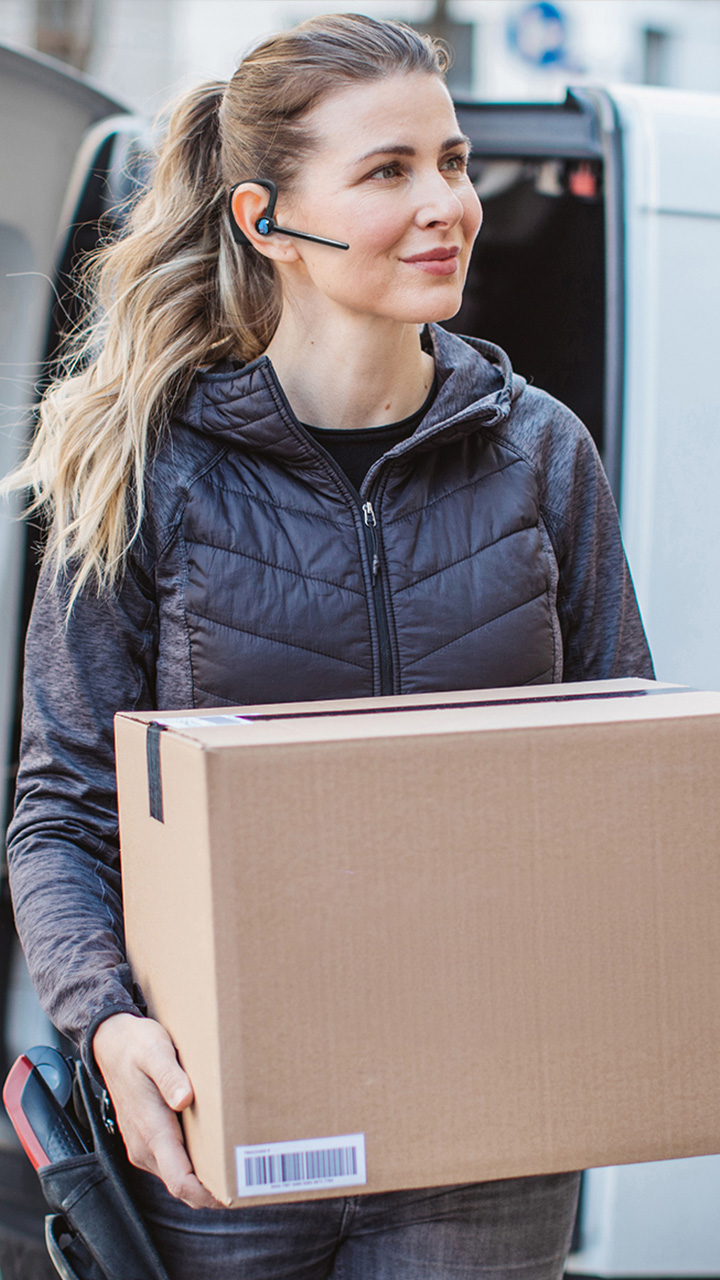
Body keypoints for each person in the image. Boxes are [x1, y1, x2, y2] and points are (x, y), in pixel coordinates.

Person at [4, 12, 653, 1280]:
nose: (446, 203)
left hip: (486, 1145)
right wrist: (108, 1024)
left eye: (454, 162)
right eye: (389, 170)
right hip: (222, 1140)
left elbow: (620, 783)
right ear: (264, 219)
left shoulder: (540, 454)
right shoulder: (154, 470)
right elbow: (60, 809)